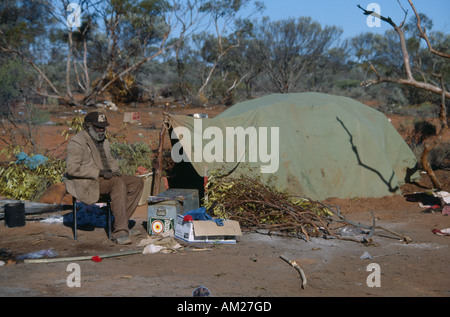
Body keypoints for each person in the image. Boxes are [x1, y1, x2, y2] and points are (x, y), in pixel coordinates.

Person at [64, 111, 144, 245]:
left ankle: (118, 224)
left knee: (137, 182)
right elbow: (72, 169)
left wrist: (115, 170)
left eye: (103, 127)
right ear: (87, 126)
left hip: (105, 179)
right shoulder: (77, 141)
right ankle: (120, 232)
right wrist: (99, 172)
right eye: (98, 127)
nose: (101, 130)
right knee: (117, 183)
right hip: (87, 182)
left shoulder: (103, 140)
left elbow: (110, 159)